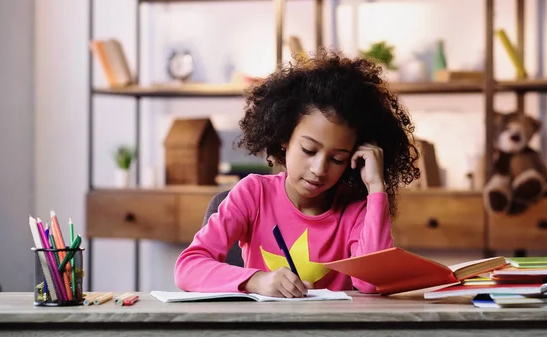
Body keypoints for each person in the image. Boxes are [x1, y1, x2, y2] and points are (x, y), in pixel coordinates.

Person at [174, 49, 420, 298]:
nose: (319, 169)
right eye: (308, 150)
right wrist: (256, 281)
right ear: (284, 139)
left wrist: (377, 187)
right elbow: (188, 268)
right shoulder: (253, 194)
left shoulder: (356, 209)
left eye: (338, 159)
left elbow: (371, 284)